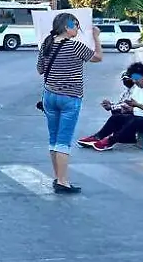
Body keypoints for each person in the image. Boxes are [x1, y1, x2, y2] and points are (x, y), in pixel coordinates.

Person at [37, 13, 102, 194]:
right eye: (75, 25)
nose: (77, 29)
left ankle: (58, 177)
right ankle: (63, 181)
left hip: (49, 96)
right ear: (67, 27)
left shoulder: (46, 45)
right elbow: (98, 57)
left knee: (53, 139)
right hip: (69, 97)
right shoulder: (75, 46)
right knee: (63, 141)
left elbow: (40, 70)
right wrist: (96, 37)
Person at [78, 62, 143, 151]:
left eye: (137, 79)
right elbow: (132, 105)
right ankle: (97, 137)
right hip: (140, 115)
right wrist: (122, 108)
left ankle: (109, 141)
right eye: (133, 79)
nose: (135, 82)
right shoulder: (137, 88)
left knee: (134, 120)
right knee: (116, 117)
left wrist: (137, 105)